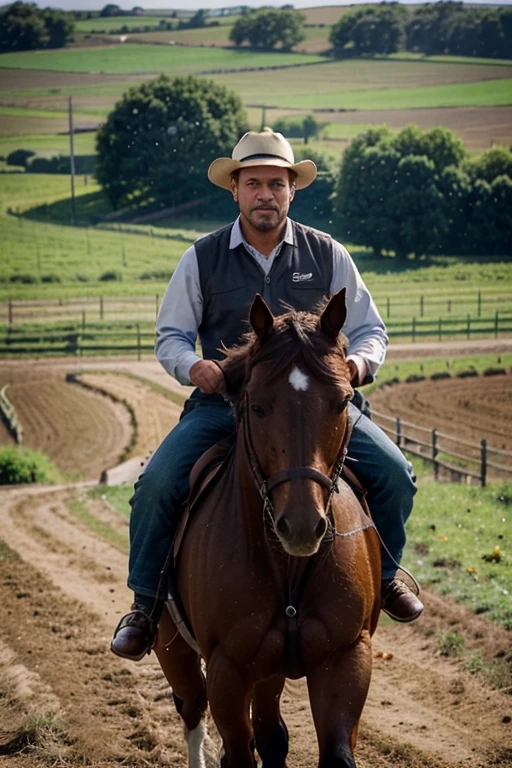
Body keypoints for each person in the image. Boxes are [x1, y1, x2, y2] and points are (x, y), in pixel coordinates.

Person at [111, 128, 424, 662]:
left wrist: (356, 364)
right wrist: (195, 367)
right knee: (158, 483)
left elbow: (373, 330)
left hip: (318, 411)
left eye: (276, 183)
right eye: (253, 182)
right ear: (234, 189)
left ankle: (389, 575)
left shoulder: (328, 254)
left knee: (395, 473)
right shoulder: (202, 258)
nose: (265, 194)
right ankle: (145, 604)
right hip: (226, 408)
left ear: (291, 191)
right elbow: (171, 336)